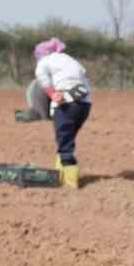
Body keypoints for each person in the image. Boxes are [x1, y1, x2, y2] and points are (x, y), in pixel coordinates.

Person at [33, 38, 92, 189]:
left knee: (65, 144)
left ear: (41, 55)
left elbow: (42, 79)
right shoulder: (69, 59)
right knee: (66, 138)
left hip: (66, 104)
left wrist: (52, 94)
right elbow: (84, 78)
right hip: (85, 105)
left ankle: (71, 182)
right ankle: (60, 174)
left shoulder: (44, 62)